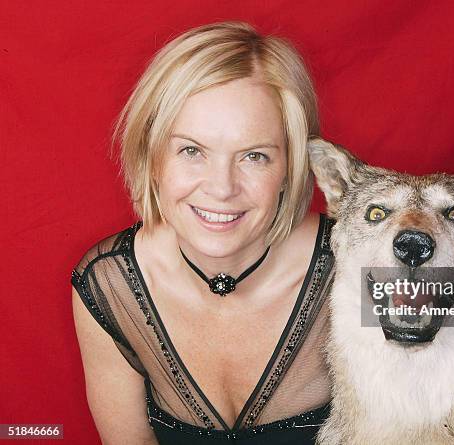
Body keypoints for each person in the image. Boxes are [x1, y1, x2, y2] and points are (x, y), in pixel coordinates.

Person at [71, 21, 335, 445]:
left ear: (292, 167)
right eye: (191, 151)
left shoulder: (368, 263)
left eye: (254, 156)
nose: (221, 188)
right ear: (153, 158)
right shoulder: (108, 285)